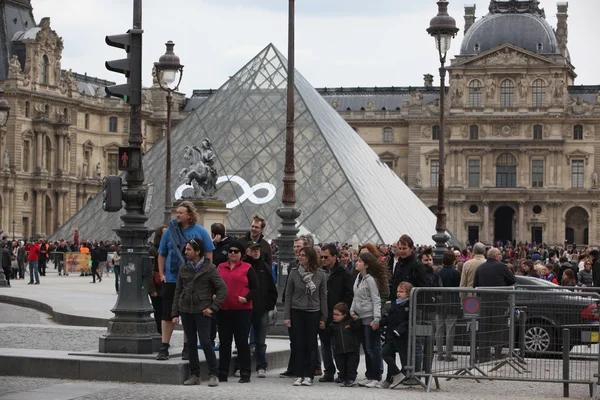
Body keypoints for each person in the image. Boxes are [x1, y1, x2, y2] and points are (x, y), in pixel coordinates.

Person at [157, 201, 215, 361]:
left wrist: (207, 275)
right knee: (167, 314)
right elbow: (161, 253)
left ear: (190, 215)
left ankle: (186, 347)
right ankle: (164, 346)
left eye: (181, 212)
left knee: (189, 314)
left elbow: (209, 254)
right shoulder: (169, 231)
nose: (177, 215)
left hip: (193, 280)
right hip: (171, 278)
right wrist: (161, 273)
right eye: (177, 212)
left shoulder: (201, 231)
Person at [172, 237, 227, 387]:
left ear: (197, 251)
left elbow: (222, 289)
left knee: (205, 342)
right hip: (186, 309)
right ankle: (194, 374)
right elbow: (178, 291)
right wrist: (175, 313)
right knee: (190, 343)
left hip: (203, 311)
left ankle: (213, 374)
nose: (185, 252)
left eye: (189, 249)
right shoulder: (183, 267)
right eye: (185, 249)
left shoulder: (210, 268)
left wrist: (213, 308)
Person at [284, 246, 327, 387]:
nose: (300, 257)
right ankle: (300, 373)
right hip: (297, 310)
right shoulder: (294, 272)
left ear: (310, 258)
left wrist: (324, 317)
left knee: (311, 343)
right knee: (298, 343)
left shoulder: (320, 274)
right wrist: (287, 315)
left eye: (303, 255)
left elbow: (323, 296)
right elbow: (288, 294)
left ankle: (309, 374)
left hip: (313, 311)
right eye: (299, 255)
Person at [216, 240, 258, 383]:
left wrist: (246, 299)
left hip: (242, 310)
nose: (232, 253)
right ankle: (222, 372)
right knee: (224, 342)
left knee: (241, 342)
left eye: (236, 251)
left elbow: (255, 289)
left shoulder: (248, 268)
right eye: (230, 251)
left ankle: (245, 372)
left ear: (241, 253)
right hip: (223, 310)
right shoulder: (220, 267)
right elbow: (214, 284)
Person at [350, 252, 389, 388]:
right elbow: (355, 297)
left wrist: (377, 318)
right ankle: (370, 375)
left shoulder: (371, 280)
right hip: (360, 317)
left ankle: (375, 376)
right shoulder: (358, 278)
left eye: (360, 261)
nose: (357, 263)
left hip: (370, 317)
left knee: (372, 348)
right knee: (367, 348)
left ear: (366, 265)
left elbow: (376, 299)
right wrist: (351, 310)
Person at [318, 243, 354, 383]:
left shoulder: (344, 273)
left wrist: (342, 311)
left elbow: (349, 294)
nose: (323, 259)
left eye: (326, 257)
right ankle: (328, 372)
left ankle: (341, 372)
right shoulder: (320, 272)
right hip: (323, 313)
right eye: (321, 257)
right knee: (325, 344)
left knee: (337, 345)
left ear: (334, 257)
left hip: (338, 315)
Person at [473, 247, 516, 361]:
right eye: (500, 255)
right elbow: (512, 280)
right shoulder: (502, 266)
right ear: (496, 256)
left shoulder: (480, 268)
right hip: (499, 301)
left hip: (484, 301)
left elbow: (475, 285)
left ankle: (484, 355)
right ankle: (497, 353)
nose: (501, 257)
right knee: (498, 328)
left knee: (485, 328)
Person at [243, 241, 278, 378]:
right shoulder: (244, 267)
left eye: (258, 249)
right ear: (248, 251)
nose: (256, 251)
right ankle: (242, 366)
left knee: (260, 341)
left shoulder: (265, 267)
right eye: (253, 249)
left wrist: (268, 305)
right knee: (243, 339)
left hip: (261, 308)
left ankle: (261, 366)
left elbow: (272, 289)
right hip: (246, 308)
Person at [380, 281, 413, 389]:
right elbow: (389, 318)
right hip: (391, 335)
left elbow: (408, 321)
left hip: (400, 336)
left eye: (401, 292)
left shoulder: (410, 305)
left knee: (404, 357)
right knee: (385, 353)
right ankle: (395, 374)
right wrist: (380, 322)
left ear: (408, 293)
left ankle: (402, 376)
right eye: (398, 291)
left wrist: (399, 330)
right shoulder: (395, 303)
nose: (398, 293)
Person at [435, 251, 461, 362]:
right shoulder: (456, 273)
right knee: (450, 329)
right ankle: (448, 354)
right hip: (452, 302)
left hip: (440, 303)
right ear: (453, 260)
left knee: (439, 329)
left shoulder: (439, 272)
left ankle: (439, 353)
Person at [328, 302, 361, 387]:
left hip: (351, 349)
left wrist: (356, 319)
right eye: (334, 314)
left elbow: (358, 328)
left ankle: (350, 379)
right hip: (339, 350)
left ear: (344, 315)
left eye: (337, 314)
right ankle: (343, 377)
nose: (335, 316)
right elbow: (327, 335)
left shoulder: (350, 323)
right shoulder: (332, 325)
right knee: (341, 366)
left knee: (351, 365)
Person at [148, 225, 166, 335]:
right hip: (157, 286)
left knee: (166, 312)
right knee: (159, 312)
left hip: (167, 284)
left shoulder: (170, 249)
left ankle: (164, 336)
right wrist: (151, 289)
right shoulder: (153, 250)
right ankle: (160, 334)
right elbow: (149, 271)